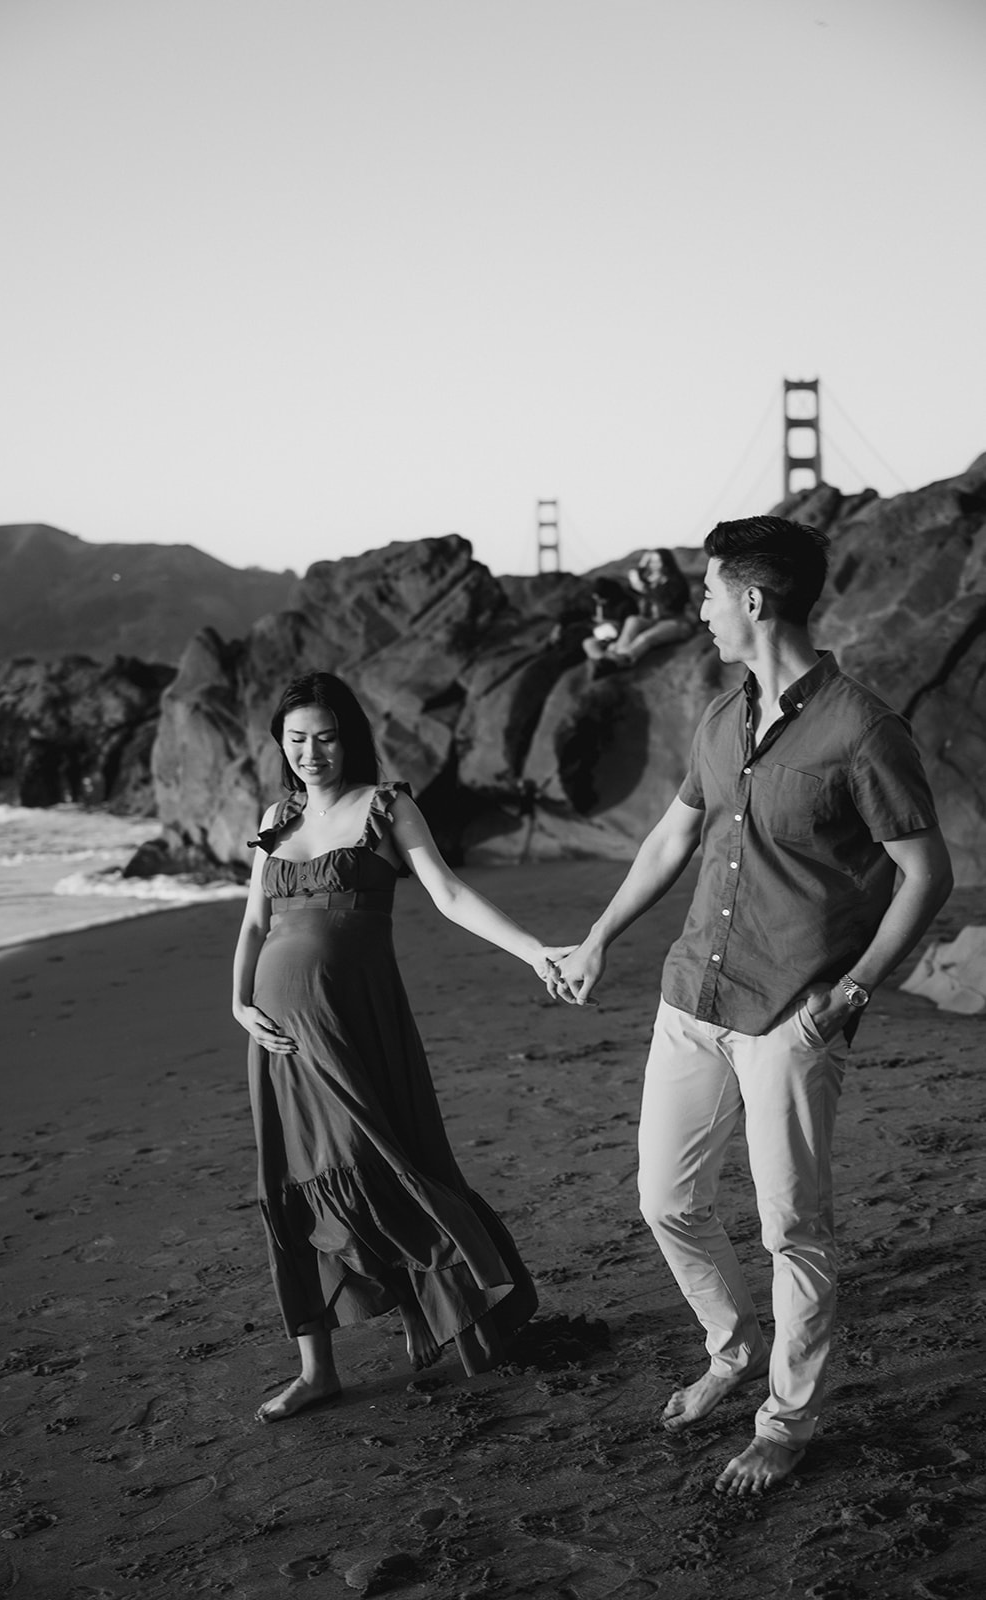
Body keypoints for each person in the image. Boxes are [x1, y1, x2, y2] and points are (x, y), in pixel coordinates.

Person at [552, 515, 952, 1495]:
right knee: (664, 1199)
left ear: (753, 600)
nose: (696, 606)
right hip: (691, 993)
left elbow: (925, 873)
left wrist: (851, 993)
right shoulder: (719, 714)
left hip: (789, 1013)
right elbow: (668, 841)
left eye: (705, 591)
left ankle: (784, 1419)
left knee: (791, 1229)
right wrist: (598, 936)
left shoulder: (859, 729)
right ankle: (729, 1343)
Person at [232, 671, 561, 1422]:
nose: (310, 752)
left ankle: (427, 1299)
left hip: (354, 1021)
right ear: (280, 746)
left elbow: (448, 894)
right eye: (294, 739)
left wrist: (533, 950)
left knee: (380, 1162)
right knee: (293, 1181)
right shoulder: (275, 818)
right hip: (278, 1034)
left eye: (323, 736)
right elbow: (255, 924)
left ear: (348, 736)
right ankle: (316, 1369)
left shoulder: (385, 806)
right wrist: (237, 1001)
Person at [608, 547, 695, 667]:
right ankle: (618, 654)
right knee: (632, 620)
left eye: (657, 561)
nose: (653, 565)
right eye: (651, 562)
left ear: (666, 562)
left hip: (676, 622)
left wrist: (647, 589)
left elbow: (669, 604)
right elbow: (633, 585)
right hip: (655, 621)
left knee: (645, 637)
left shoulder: (676, 581)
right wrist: (643, 564)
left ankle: (625, 658)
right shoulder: (652, 582)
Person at [580, 576, 639, 676]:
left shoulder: (626, 603)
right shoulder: (602, 607)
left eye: (599, 598)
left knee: (613, 646)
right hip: (608, 637)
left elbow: (630, 624)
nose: (598, 601)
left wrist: (610, 624)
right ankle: (602, 661)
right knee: (588, 642)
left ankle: (615, 661)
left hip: (623, 635)